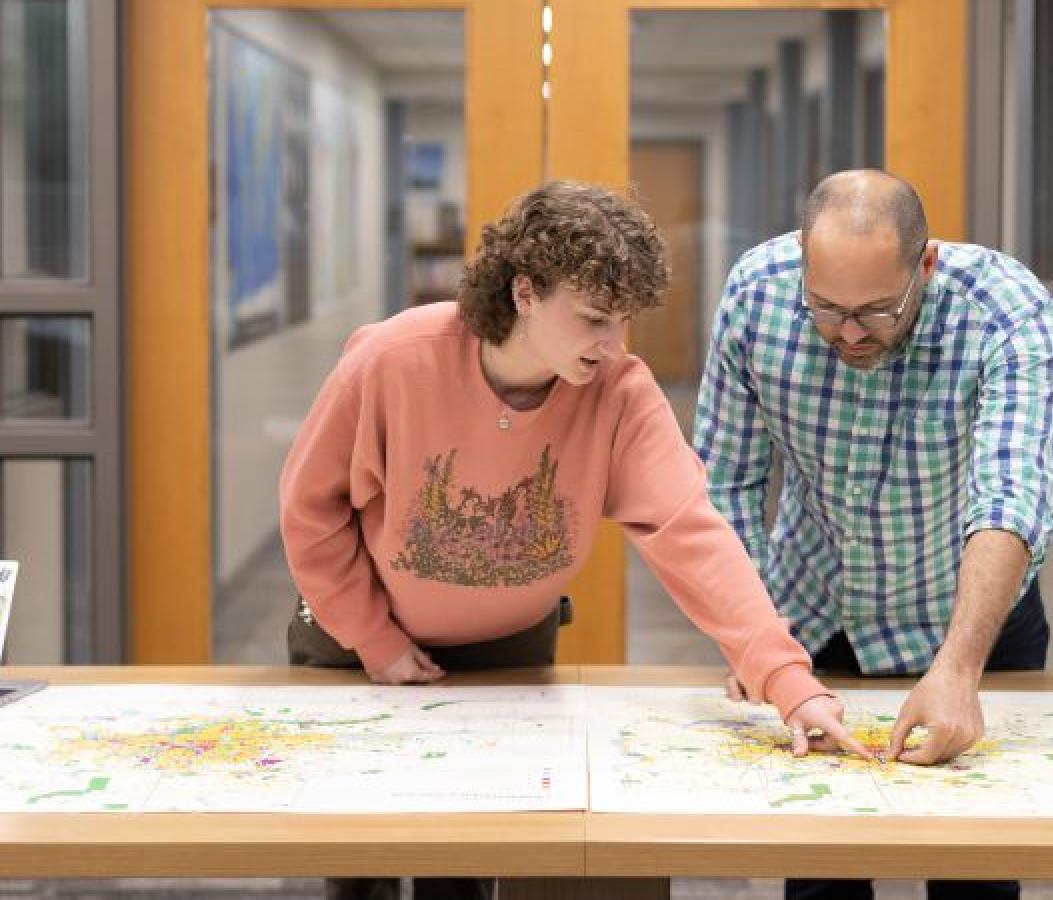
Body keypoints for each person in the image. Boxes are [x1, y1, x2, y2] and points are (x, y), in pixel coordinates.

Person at [280, 180, 871, 900]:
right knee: (364, 856)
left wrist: (785, 679)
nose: (612, 344)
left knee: (468, 861)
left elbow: (692, 532)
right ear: (525, 293)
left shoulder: (620, 391)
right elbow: (310, 509)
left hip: (508, 651)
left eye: (623, 321)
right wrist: (373, 637)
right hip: (352, 641)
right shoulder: (394, 359)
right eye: (593, 318)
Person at [697, 170, 1053, 900]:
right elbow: (727, 480)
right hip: (813, 614)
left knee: (975, 870)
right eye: (827, 308)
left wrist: (958, 669)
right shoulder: (756, 292)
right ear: (803, 256)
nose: (850, 333)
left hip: (968, 617)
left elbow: (1010, 495)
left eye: (875, 310)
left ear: (925, 263)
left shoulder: (1006, 309)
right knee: (822, 872)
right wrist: (752, 635)